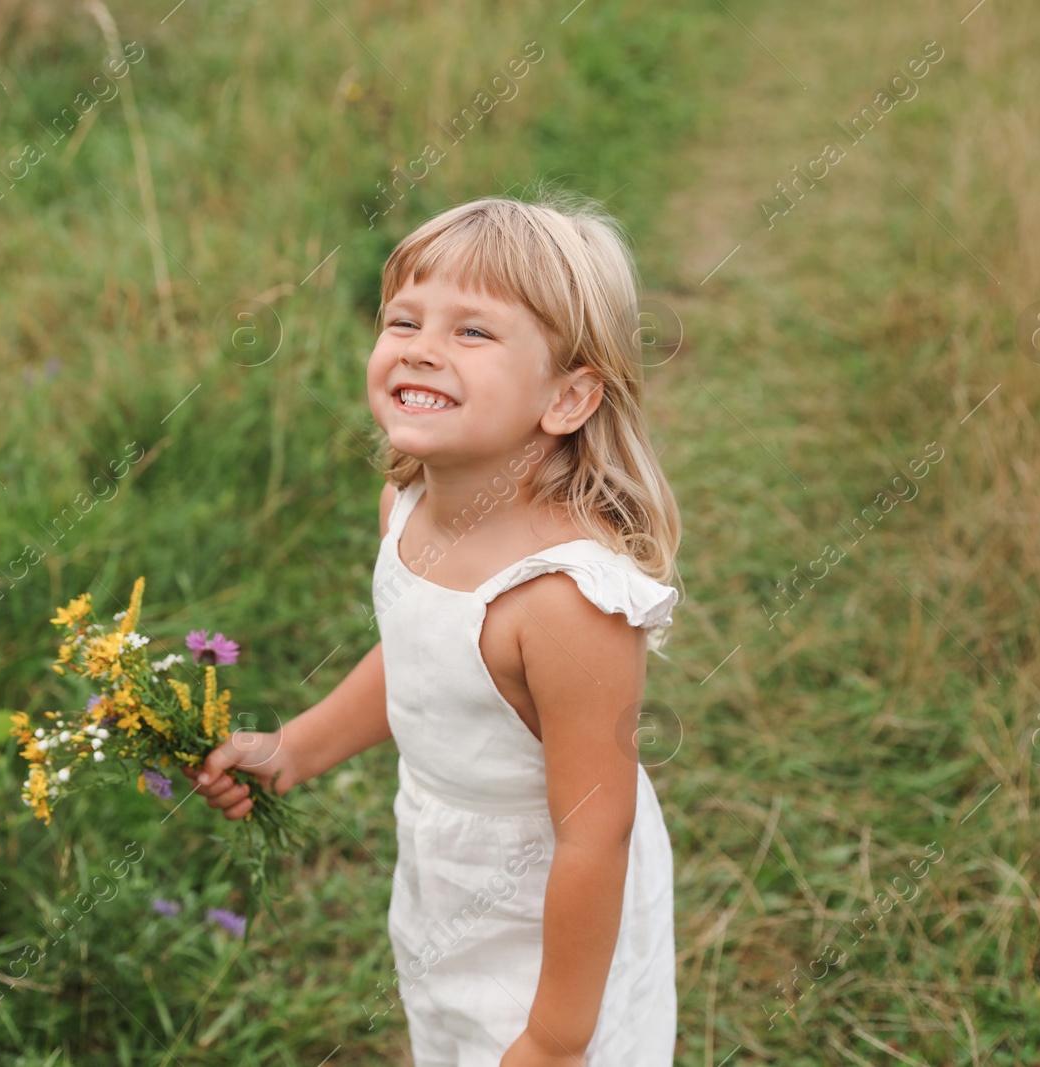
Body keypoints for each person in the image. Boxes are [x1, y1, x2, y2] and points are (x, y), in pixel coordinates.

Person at [182, 190, 682, 1066]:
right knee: (450, 1033)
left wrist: (557, 1037)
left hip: (556, 913)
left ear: (567, 398)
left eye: (473, 332)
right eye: (403, 319)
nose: (421, 347)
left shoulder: (563, 602)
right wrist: (295, 749)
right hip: (443, 865)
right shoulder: (405, 508)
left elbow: (594, 834)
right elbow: (421, 656)